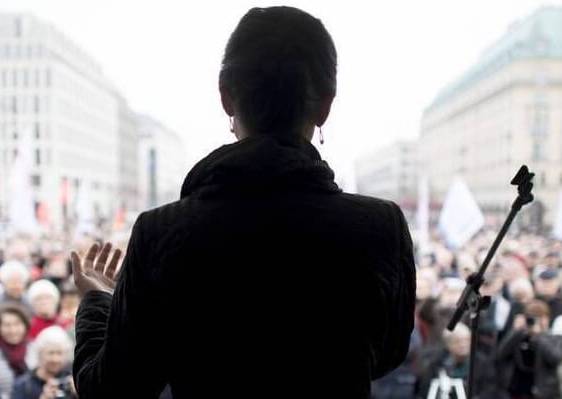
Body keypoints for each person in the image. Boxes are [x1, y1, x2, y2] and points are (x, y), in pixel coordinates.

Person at [70, 6, 416, 399]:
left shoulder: (161, 233)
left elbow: (111, 390)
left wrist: (97, 302)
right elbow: (385, 354)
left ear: (226, 98)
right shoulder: (380, 227)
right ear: (325, 105)